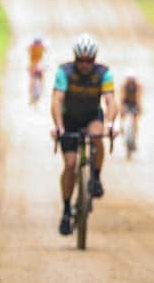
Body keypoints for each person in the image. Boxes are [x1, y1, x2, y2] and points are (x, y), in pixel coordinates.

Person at [50, 33, 117, 235]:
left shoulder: (104, 73)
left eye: (89, 61)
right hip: (69, 119)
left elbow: (111, 101)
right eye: (81, 60)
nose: (85, 65)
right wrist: (59, 127)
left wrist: (111, 123)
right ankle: (66, 209)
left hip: (91, 116)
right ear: (75, 58)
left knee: (97, 136)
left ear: (94, 58)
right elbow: (57, 100)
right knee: (70, 165)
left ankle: (95, 178)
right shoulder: (64, 72)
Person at [119, 73, 142, 155]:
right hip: (126, 103)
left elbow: (138, 97)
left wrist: (139, 107)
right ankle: (122, 130)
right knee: (122, 119)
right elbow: (122, 97)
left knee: (135, 121)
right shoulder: (124, 85)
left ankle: (134, 139)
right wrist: (122, 107)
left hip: (134, 103)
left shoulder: (138, 85)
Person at [28, 36, 46, 104]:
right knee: (40, 79)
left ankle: (31, 96)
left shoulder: (32, 48)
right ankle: (41, 91)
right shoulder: (41, 48)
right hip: (37, 66)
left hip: (34, 66)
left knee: (32, 80)